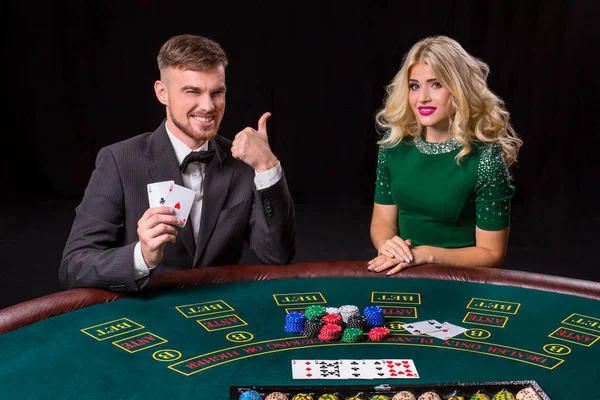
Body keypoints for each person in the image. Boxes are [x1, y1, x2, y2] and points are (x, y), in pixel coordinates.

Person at [60, 34, 296, 291]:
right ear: (162, 93)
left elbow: (278, 256)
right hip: (146, 318)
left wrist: (268, 167)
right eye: (192, 91)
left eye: (217, 92)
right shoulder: (119, 161)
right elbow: (74, 267)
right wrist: (142, 256)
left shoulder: (244, 163)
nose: (208, 106)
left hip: (223, 314)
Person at [368, 35, 523, 276]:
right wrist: (388, 245)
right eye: (414, 86)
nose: (423, 98)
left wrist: (425, 255)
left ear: (459, 88)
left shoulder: (485, 159)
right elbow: (382, 222)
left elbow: (491, 253)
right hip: (402, 272)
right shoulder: (393, 147)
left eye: (436, 84)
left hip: (460, 281)